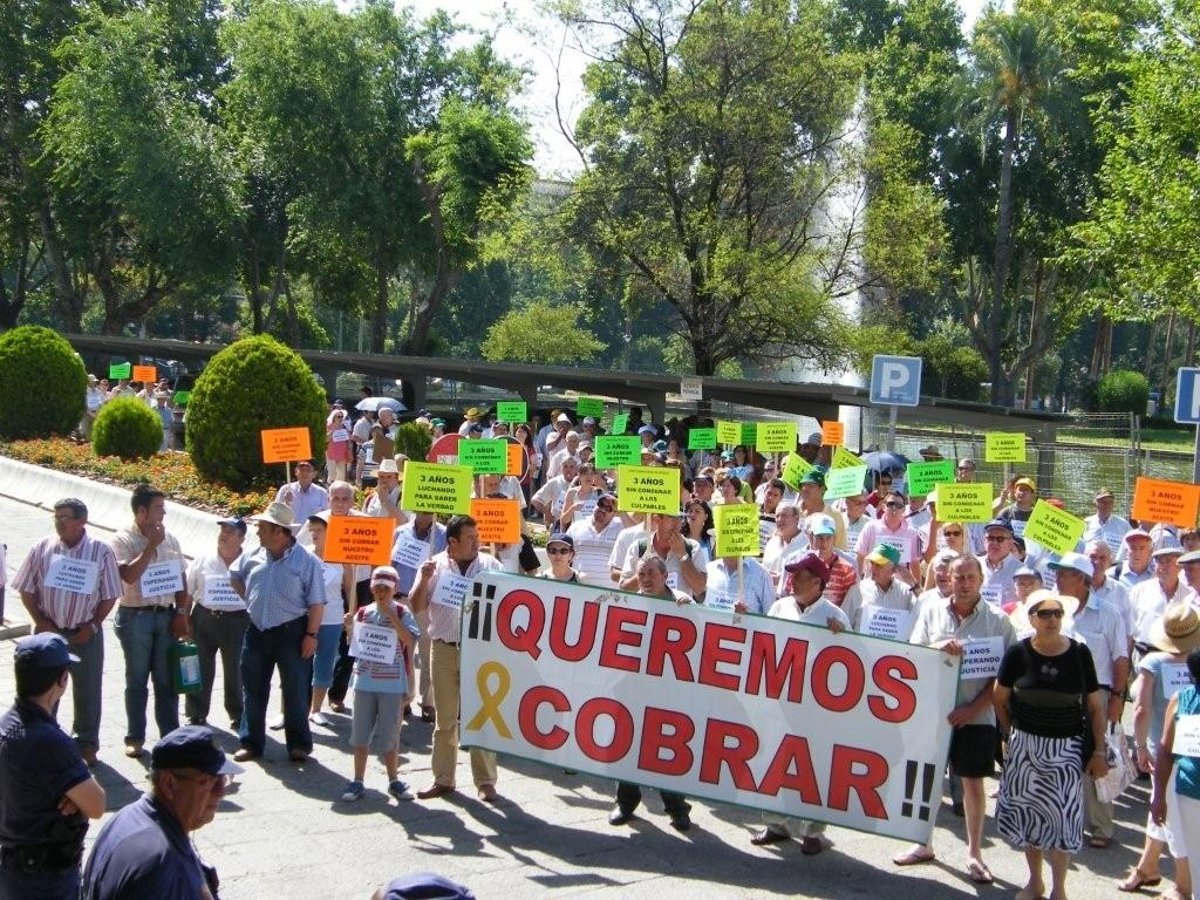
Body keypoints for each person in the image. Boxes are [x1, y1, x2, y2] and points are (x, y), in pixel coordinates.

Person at [894, 556, 1016, 882]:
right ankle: (922, 844)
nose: (964, 583)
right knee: (926, 781)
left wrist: (974, 708)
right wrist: (938, 646)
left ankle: (974, 854)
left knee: (973, 785)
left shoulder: (999, 621)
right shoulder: (931, 610)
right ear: (947, 577)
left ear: (981, 579)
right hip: (933, 714)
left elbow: (1005, 676)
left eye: (970, 577)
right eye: (958, 577)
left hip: (976, 717)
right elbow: (914, 653)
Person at [993, 592, 1109, 900]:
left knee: (1063, 821)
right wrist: (1010, 733)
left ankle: (1059, 889)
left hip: (1066, 750)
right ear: (1031, 618)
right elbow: (999, 699)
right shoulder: (1017, 653)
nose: (1052, 619)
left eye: (1057, 613)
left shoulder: (1080, 654)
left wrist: (1099, 751)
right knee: (1030, 818)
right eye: (1044, 614)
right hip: (1025, 748)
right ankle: (1035, 883)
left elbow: (1096, 707)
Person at [751, 553, 848, 852]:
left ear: (817, 583)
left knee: (814, 767)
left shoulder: (836, 617)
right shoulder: (779, 607)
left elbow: (851, 664)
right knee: (774, 760)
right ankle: (775, 824)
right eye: (792, 575)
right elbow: (763, 644)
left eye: (800, 577)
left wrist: (843, 639)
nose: (792, 581)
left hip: (816, 707)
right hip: (780, 701)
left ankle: (813, 831)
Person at [14, 498, 122, 766]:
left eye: (65, 518)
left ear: (81, 521)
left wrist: (93, 625)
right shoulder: (43, 547)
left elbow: (110, 594)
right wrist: (40, 621)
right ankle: (44, 741)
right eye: (56, 517)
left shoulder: (100, 551)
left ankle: (86, 745)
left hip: (84, 634)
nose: (59, 522)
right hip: (49, 634)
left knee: (88, 691)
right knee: (45, 690)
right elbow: (26, 588)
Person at [0, 634, 106, 900]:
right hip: (45, 878)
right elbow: (97, 804)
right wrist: (76, 791)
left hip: (13, 868)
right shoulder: (51, 743)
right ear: (62, 680)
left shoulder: (6, 725)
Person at [81, 726, 240, 899]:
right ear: (168, 784)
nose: (220, 792)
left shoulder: (127, 816)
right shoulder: (159, 864)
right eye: (209, 782)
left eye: (223, 779)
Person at [408, 515, 503, 802]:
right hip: (444, 649)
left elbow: (507, 604)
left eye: (477, 536)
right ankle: (443, 778)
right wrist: (424, 580)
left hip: (480, 651)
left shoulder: (491, 566)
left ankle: (485, 781)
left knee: (480, 718)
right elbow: (416, 606)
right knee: (445, 719)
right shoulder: (434, 565)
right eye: (470, 537)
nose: (477, 542)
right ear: (452, 541)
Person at [229, 501, 326, 763]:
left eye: (262, 527)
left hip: (292, 633)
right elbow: (234, 575)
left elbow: (317, 602)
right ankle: (250, 742)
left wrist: (311, 635)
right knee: (253, 688)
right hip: (256, 631)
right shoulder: (254, 554)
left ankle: (299, 745)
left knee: (295, 690)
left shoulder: (307, 561)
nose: (257, 532)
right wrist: (250, 599)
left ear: (279, 531)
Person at [1051, 551, 1131, 848]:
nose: (1058, 578)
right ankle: (1067, 820)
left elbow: (1120, 658)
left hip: (1099, 692)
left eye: (1065, 574)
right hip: (1061, 693)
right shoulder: (1053, 609)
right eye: (1058, 573)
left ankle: (1101, 825)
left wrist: (1118, 698)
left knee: (1097, 758)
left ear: (1082, 580)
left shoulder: (1109, 613)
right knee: (1062, 758)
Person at [609, 556, 694, 832]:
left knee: (667, 749)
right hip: (632, 686)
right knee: (627, 744)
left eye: (651, 574)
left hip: (668, 690)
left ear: (665, 576)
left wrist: (691, 612)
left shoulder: (682, 602)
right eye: (641, 574)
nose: (645, 579)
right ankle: (625, 802)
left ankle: (677, 808)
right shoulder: (630, 602)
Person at [1123, 603, 1199, 897]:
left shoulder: (1154, 663)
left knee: (1174, 822)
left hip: (1167, 755)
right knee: (1163, 814)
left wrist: (1140, 746)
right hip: (1181, 756)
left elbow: (1141, 709)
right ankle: (1148, 867)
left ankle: (1182, 885)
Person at [109, 484, 186, 758]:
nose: (163, 513)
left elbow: (181, 578)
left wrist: (182, 613)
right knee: (137, 679)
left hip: (165, 616)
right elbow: (128, 576)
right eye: (158, 508)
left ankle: (171, 738)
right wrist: (151, 546)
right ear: (141, 511)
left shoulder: (171, 539)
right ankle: (135, 737)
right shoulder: (121, 540)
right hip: (135, 617)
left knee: (166, 681)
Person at [340, 566, 420, 803]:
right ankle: (358, 779)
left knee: (390, 735)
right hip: (364, 681)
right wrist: (349, 627)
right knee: (360, 734)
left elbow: (409, 640)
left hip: (392, 684)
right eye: (377, 588)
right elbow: (354, 644)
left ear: (394, 589)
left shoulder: (402, 612)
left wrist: (392, 617)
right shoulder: (363, 612)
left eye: (386, 588)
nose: (381, 592)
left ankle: (394, 779)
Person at [182, 517, 249, 730]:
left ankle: (238, 714)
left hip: (237, 621)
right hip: (205, 618)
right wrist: (184, 619)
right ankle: (196, 713)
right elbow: (188, 592)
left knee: (236, 670)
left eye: (230, 531)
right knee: (199, 666)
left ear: (241, 538)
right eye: (222, 530)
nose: (223, 535)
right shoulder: (203, 560)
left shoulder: (249, 562)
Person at [1150, 647, 1200, 900]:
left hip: (1188, 792)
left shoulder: (1182, 699)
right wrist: (1159, 796)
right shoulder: (1182, 699)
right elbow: (1166, 751)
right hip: (1190, 794)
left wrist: (1159, 797)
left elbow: (1164, 751)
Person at [390, 511, 447, 722]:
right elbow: (390, 563)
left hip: (428, 602)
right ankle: (404, 697)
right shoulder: (400, 532)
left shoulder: (444, 534)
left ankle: (428, 701)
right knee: (402, 652)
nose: (425, 511)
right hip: (402, 599)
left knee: (427, 652)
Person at [304, 511, 354, 727]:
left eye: (319, 530)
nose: (314, 534)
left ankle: (315, 709)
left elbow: (349, 589)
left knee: (325, 662)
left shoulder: (342, 557)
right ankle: (291, 708)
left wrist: (351, 614)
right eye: (312, 530)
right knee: (298, 663)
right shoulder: (304, 555)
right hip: (304, 618)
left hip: (332, 618)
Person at [618, 512, 708, 599]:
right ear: (657, 519)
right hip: (644, 608)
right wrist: (644, 572)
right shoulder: (638, 547)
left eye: (680, 518)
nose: (677, 524)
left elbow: (700, 590)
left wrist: (683, 555)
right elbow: (624, 589)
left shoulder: (692, 547)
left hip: (678, 608)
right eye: (672, 518)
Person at [565, 492, 623, 585]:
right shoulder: (577, 526)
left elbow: (638, 533)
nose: (603, 509)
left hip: (610, 591)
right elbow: (564, 555)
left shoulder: (622, 529)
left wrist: (623, 513)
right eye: (601, 504)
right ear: (594, 505)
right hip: (579, 588)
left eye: (609, 508)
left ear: (614, 513)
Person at [274, 459, 329, 524]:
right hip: (289, 530)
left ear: (314, 474)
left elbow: (327, 517)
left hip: (311, 530)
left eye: (308, 470)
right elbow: (275, 514)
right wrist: (285, 503)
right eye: (302, 470)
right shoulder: (285, 489)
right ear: (296, 472)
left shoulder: (322, 493)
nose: (304, 473)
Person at [362, 458, 407, 524]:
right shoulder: (370, 498)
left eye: (389, 477)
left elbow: (404, 522)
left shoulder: (404, 498)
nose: (384, 480)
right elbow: (363, 522)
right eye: (381, 476)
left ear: (396, 479)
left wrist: (385, 501)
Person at [325, 408, 354, 484]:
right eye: (338, 417)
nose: (340, 418)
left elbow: (349, 438)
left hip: (342, 454)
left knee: (341, 476)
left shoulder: (344, 426)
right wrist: (334, 429)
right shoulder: (329, 426)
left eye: (341, 416)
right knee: (332, 475)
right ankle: (331, 488)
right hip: (331, 454)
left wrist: (350, 446)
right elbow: (326, 439)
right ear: (334, 417)